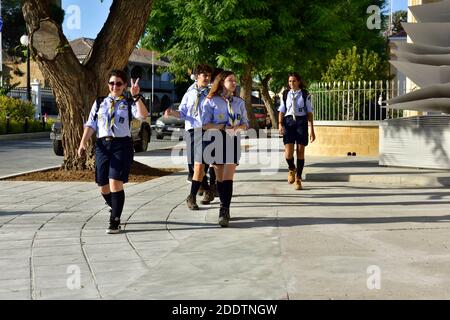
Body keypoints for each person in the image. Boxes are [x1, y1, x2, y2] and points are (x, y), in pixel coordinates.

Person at [77, 69, 148, 234]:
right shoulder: (100, 102)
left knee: (115, 182)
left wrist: (136, 96)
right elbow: (91, 124)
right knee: (103, 186)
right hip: (102, 145)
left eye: (118, 83)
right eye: (112, 83)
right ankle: (115, 207)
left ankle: (115, 220)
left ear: (124, 85)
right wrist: (82, 143)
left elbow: (143, 115)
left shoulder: (129, 102)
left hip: (121, 145)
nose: (114, 86)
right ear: (108, 84)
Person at [201, 70, 249, 227]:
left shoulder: (239, 102)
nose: (234, 83)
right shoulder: (211, 101)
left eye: (235, 81)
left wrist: (237, 129)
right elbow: (205, 124)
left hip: (232, 140)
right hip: (215, 140)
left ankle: (224, 209)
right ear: (222, 82)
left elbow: (245, 124)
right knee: (220, 178)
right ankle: (223, 204)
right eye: (230, 80)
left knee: (228, 178)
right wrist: (219, 127)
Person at [165, 64, 215, 209]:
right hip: (192, 131)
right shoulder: (189, 93)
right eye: (204, 75)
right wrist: (172, 113)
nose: (207, 78)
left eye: (208, 76)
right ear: (197, 76)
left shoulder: (212, 93)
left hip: (207, 131)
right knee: (194, 165)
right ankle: (207, 189)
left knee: (200, 164)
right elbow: (183, 113)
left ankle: (191, 197)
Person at [278, 72, 315, 190]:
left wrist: (312, 129)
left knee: (300, 151)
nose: (291, 83)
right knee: (288, 154)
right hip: (288, 122)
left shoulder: (305, 94)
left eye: (294, 81)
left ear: (298, 81)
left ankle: (298, 178)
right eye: (289, 81)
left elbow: (309, 112)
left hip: (301, 122)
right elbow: (281, 110)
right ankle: (291, 168)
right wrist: (280, 124)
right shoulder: (285, 94)